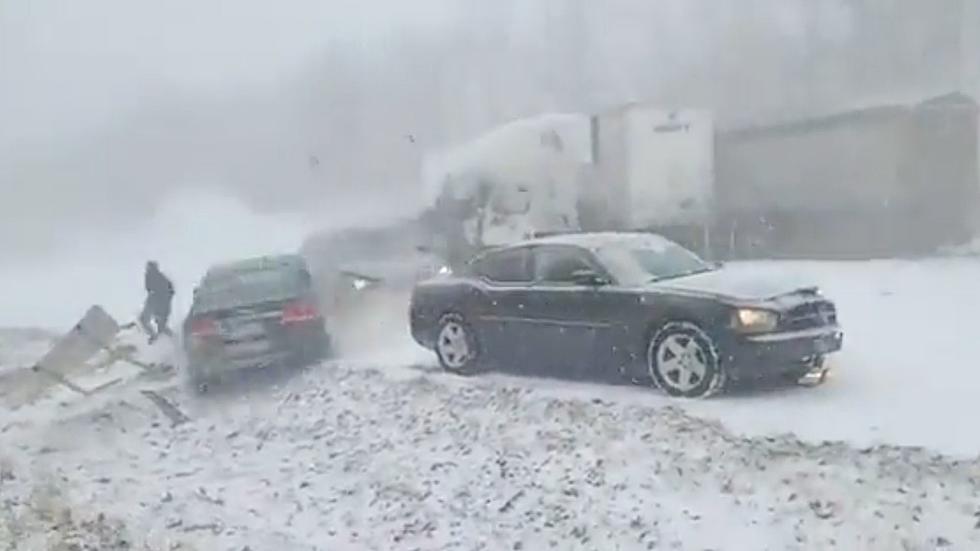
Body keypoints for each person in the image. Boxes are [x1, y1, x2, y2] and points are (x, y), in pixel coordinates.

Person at [139, 261, 175, 343]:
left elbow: (149, 288)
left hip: (157, 302)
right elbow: (171, 291)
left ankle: (156, 336)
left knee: (148, 321)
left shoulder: (155, 277)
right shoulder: (160, 277)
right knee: (160, 326)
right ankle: (171, 338)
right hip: (160, 303)